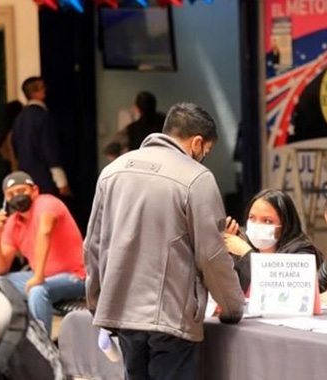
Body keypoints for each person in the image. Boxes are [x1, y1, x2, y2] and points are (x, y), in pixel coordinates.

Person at [84, 102, 245, 380]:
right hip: (172, 316)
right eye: (205, 151)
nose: (203, 157)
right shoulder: (197, 178)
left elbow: (93, 246)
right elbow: (211, 255)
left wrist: (98, 303)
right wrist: (232, 307)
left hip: (122, 311)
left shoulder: (112, 171)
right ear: (196, 142)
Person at [0, 171, 86, 337]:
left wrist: (38, 275)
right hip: (45, 276)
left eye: (21, 190)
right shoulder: (13, 223)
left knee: (37, 290)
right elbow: (0, 269)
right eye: (11, 194)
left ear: (34, 190)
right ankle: (5, 339)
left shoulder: (46, 202)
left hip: (76, 276)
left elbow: (45, 231)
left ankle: (42, 347)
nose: (17, 196)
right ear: (5, 200)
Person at [223, 189, 322, 292]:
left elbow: (279, 291)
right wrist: (226, 253)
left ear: (285, 225)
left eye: (267, 221)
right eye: (252, 218)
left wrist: (246, 253)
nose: (257, 225)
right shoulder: (243, 247)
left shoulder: (301, 251)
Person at [11, 77, 71, 197]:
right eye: (43, 88)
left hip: (25, 176)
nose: (46, 90)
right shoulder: (43, 117)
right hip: (44, 178)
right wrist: (61, 181)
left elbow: (15, 146)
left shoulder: (19, 118)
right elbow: (50, 149)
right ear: (35, 92)